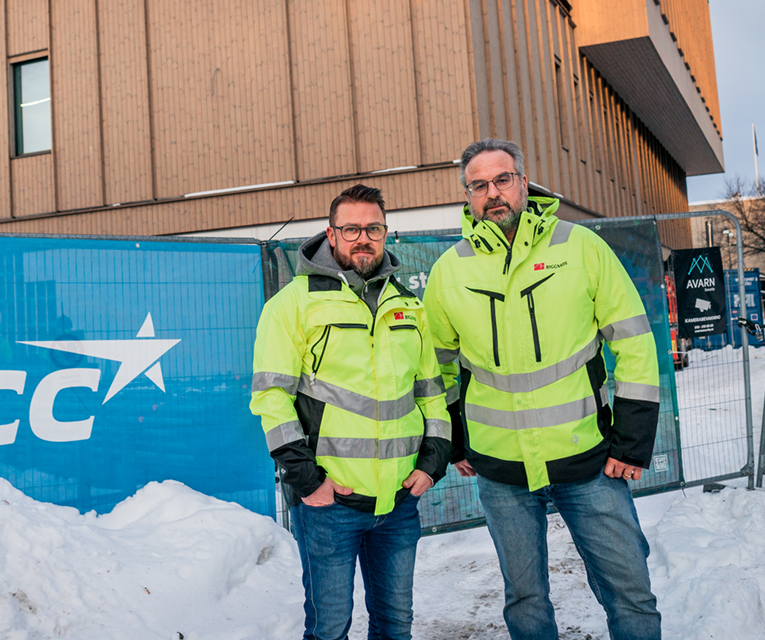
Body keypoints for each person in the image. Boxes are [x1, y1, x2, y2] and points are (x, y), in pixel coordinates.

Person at [424, 139, 662, 640]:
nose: (493, 193)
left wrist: (632, 440)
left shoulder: (580, 247)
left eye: (502, 179)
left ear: (524, 183)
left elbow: (635, 343)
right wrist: (459, 441)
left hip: (589, 459)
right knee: (525, 602)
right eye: (479, 185)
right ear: (467, 195)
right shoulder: (450, 270)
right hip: (500, 471)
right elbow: (438, 367)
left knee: (631, 592)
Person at [250, 184, 452, 640]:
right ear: (331, 234)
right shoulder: (292, 305)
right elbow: (271, 398)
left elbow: (430, 393)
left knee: (396, 626)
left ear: (386, 233)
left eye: (374, 228)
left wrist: (433, 463)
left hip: (400, 502)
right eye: (352, 229)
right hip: (330, 504)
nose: (364, 238)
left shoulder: (408, 305)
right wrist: (309, 482)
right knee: (329, 630)